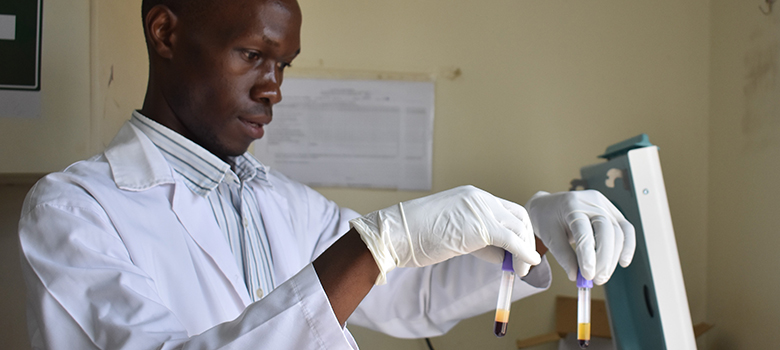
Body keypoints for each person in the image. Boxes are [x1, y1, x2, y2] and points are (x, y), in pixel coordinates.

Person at [18, 0, 636, 349]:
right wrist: (375, 244)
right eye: (253, 55)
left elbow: (410, 296)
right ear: (166, 32)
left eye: (283, 64)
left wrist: (532, 229)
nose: (274, 88)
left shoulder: (283, 203)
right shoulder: (75, 213)